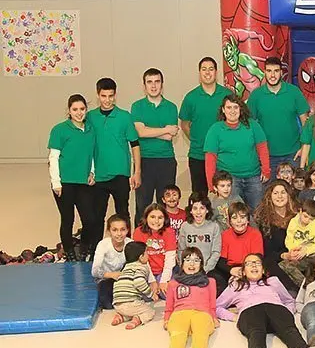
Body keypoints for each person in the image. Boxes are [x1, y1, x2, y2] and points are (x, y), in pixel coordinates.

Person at [216, 253, 315, 348]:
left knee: (289, 329)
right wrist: (234, 317)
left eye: (258, 263)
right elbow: (217, 306)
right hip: (251, 312)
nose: (254, 266)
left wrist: (287, 312)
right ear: (243, 271)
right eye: (249, 264)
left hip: (275, 309)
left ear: (263, 270)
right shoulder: (236, 285)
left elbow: (289, 301)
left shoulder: (273, 281)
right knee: (255, 330)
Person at [88, 78, 141, 258]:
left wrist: (137, 171)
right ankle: (97, 251)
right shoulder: (91, 117)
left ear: (115, 95)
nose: (107, 99)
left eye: (111, 96)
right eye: (103, 96)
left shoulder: (125, 116)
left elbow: (135, 144)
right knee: (97, 216)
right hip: (99, 176)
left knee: (123, 213)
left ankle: (128, 252)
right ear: (98, 95)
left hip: (120, 174)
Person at [49, 93, 97, 261]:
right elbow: (53, 157)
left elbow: (91, 155)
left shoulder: (91, 130)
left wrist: (92, 172)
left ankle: (84, 247)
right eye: (75, 109)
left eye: (82, 109)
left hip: (83, 182)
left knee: (90, 219)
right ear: (69, 111)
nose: (79, 112)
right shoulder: (59, 130)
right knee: (67, 219)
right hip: (64, 183)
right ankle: (69, 251)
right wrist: (56, 182)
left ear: (86, 109)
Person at [131, 68, 179, 227]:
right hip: (144, 160)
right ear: (144, 86)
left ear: (162, 84)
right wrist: (164, 128)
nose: (153, 86)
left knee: (164, 205)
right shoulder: (137, 106)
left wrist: (149, 130)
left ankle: (164, 242)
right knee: (142, 205)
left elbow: (169, 136)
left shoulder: (171, 107)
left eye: (157, 81)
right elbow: (140, 132)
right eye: (149, 82)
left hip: (166, 161)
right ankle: (139, 244)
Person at [204, 94, 270, 210]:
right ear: (223, 110)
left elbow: (262, 148)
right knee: (232, 214)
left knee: (258, 213)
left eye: (236, 107)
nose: (232, 111)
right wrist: (211, 183)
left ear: (241, 109)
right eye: (229, 107)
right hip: (230, 181)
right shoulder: (215, 129)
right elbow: (210, 158)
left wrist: (266, 170)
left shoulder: (253, 125)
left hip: (254, 178)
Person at [179, 57, 233, 195]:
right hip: (198, 156)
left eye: (211, 69)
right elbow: (184, 124)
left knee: (225, 195)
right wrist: (197, 140)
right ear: (199, 73)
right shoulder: (191, 97)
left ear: (216, 72)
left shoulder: (227, 95)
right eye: (204, 69)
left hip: (223, 156)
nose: (207, 73)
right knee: (199, 197)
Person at [248, 56, 310, 174]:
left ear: (281, 73)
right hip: (267, 156)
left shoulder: (294, 92)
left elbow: (305, 123)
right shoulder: (256, 96)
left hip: (293, 154)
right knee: (269, 191)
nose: (272, 75)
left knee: (294, 191)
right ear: (264, 72)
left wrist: (304, 147)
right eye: (269, 71)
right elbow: (249, 127)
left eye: (276, 71)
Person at [162, 247, 219, 348]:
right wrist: (167, 319)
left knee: (201, 330)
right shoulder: (173, 283)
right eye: (188, 260)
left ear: (201, 264)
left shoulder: (210, 281)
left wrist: (214, 317)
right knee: (178, 330)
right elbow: (169, 305)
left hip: (202, 313)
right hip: (180, 312)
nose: (192, 263)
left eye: (196, 260)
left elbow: (212, 304)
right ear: (181, 264)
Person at [92, 214, 156, 309]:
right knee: (108, 305)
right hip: (107, 279)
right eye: (115, 230)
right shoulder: (103, 245)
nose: (119, 234)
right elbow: (95, 271)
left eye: (122, 230)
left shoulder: (130, 243)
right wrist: (112, 275)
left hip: (126, 278)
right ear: (109, 231)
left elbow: (143, 261)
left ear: (128, 230)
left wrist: (152, 281)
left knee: (146, 298)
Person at [251, 179, 300, 292]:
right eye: (276, 193)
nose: (280, 196)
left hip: (299, 255)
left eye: (283, 192)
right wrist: (285, 256)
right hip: (276, 259)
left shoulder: (299, 216)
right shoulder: (263, 219)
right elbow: (267, 252)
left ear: (289, 195)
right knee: (268, 263)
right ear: (270, 196)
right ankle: (292, 292)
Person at [214, 201, 264, 295]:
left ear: (248, 220)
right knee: (214, 276)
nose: (239, 221)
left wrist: (244, 271)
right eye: (234, 218)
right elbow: (221, 261)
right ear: (229, 222)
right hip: (230, 269)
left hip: (249, 267)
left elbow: (257, 259)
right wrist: (231, 271)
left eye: (242, 217)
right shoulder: (225, 235)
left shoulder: (255, 234)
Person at [132, 203, 177, 297]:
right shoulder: (138, 232)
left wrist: (164, 281)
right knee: (145, 295)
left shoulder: (169, 232)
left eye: (160, 217)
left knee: (168, 295)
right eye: (152, 217)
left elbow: (170, 259)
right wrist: (152, 280)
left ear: (165, 219)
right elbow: (142, 260)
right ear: (146, 217)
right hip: (146, 270)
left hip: (163, 271)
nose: (156, 221)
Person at [279, 199, 315, 286]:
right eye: (305, 216)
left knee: (289, 266)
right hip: (296, 252)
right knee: (282, 266)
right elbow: (289, 237)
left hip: (311, 255)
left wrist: (306, 250)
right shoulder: (293, 222)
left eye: (311, 219)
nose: (307, 220)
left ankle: (306, 286)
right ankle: (297, 287)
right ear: (300, 211)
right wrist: (292, 250)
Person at [111, 241, 156, 330]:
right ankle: (137, 319)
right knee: (150, 311)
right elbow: (139, 282)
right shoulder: (142, 267)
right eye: (146, 252)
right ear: (141, 257)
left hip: (117, 304)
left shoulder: (126, 267)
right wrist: (151, 294)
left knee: (130, 309)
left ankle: (121, 317)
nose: (148, 255)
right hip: (131, 303)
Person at [177, 193, 221, 283]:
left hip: (207, 269)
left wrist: (205, 269)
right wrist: (186, 267)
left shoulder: (214, 227)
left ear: (207, 210)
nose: (198, 212)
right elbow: (181, 250)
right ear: (190, 211)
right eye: (195, 208)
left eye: (202, 208)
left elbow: (216, 252)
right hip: (188, 268)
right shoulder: (185, 226)